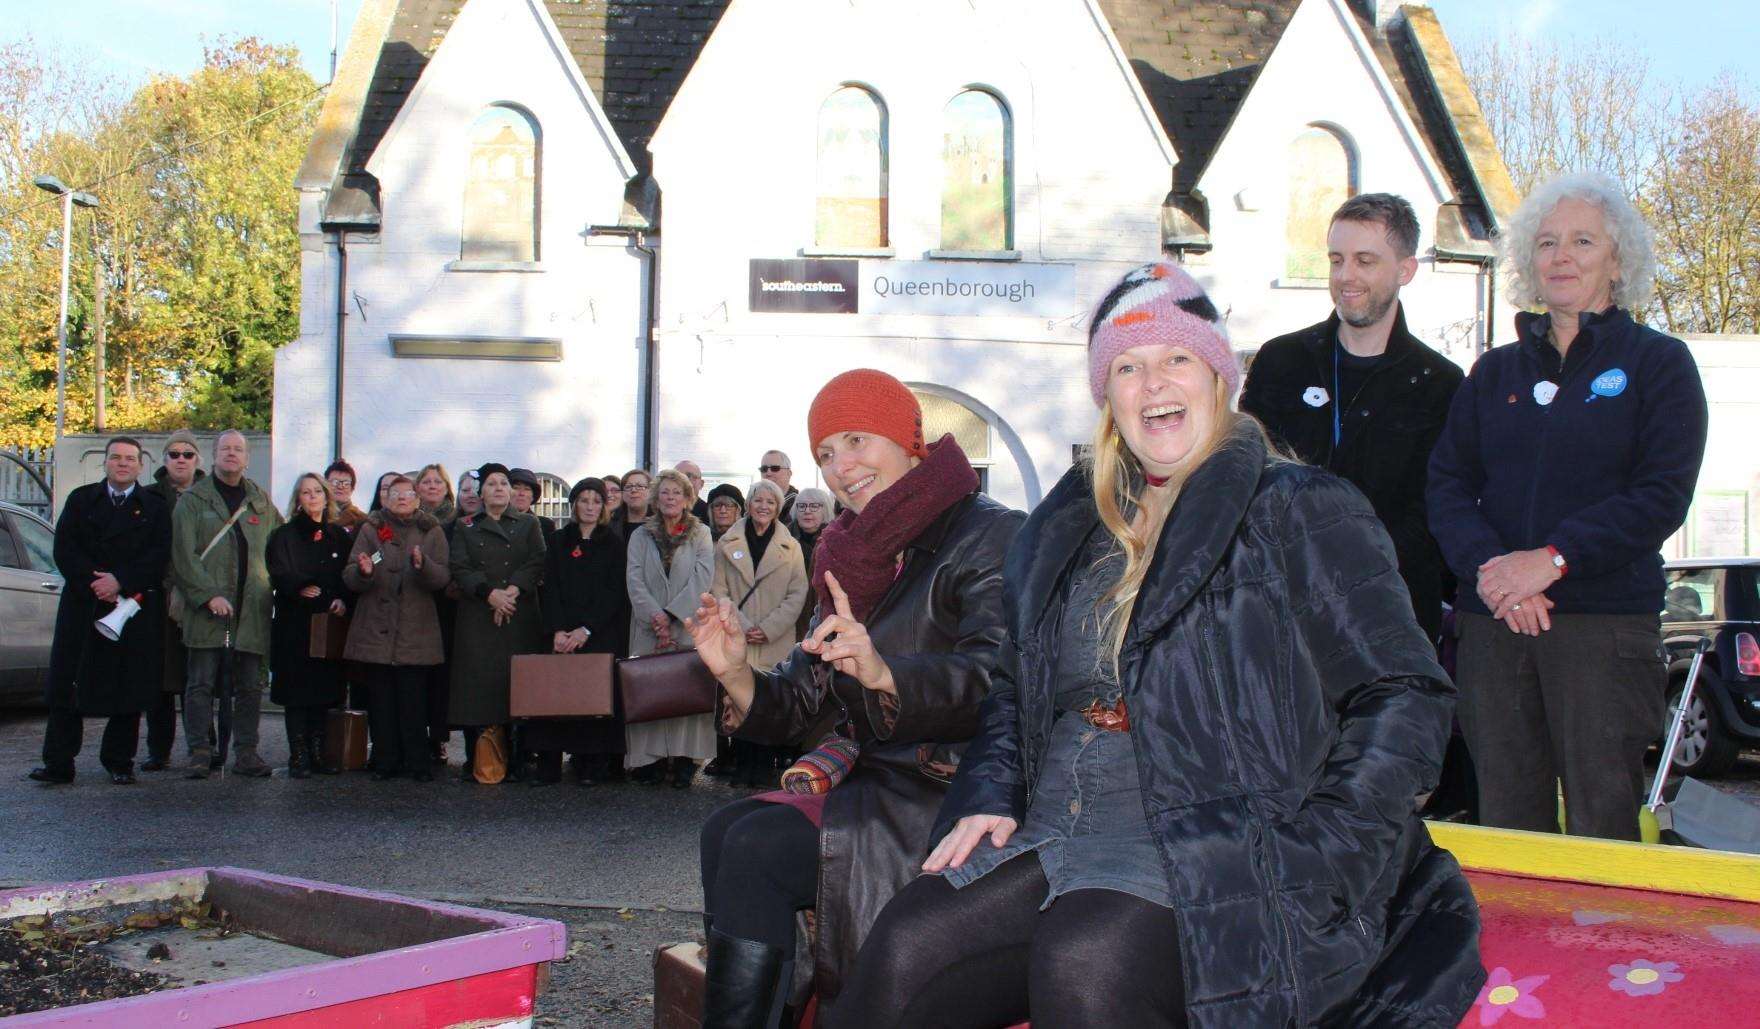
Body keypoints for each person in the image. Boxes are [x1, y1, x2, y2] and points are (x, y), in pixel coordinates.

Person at [835, 264, 1482, 1027]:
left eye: (1176, 357)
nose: (1153, 384)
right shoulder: (1070, 526)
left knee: (1084, 955)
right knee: (906, 943)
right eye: (1128, 367)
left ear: (1218, 375)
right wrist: (991, 793)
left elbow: (1403, 694)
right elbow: (1017, 685)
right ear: (1107, 395)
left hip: (1214, 837)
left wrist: (1321, 849)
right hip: (1058, 819)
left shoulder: (1301, 509)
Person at [687, 369, 1021, 1025]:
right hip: (875, 782)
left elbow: (998, 680)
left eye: (857, 439)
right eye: (825, 454)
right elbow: (804, 698)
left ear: (910, 441)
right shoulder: (852, 551)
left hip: (953, 788)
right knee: (724, 829)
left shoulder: (991, 534)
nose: (842, 466)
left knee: (755, 847)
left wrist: (883, 671)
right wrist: (733, 672)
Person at [1428, 171, 1708, 842]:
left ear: (1618, 259)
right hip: (1494, 623)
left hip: (1601, 629)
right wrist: (1497, 571)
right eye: (1548, 242)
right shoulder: (1493, 374)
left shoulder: (1660, 365)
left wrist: (1553, 560)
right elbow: (1445, 484)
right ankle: (1509, 954)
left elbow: (1660, 495)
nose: (1562, 256)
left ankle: (1613, 951)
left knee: (1603, 819)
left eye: (1583, 240)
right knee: (1505, 820)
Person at [1239, 193, 1464, 643]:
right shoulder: (1281, 361)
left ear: (1405, 270)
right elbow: (1245, 475)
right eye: (1336, 260)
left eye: (1365, 261)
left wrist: (1349, 566)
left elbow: (1435, 511)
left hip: (1388, 620)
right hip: (1281, 615)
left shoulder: (1440, 382)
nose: (1346, 277)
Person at [28, 437, 171, 786]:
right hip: (84, 602)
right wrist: (96, 583)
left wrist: (120, 580)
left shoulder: (154, 505)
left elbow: (159, 554)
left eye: (130, 459)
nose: (122, 463)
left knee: (129, 684)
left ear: (141, 466)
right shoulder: (81, 500)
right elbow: (64, 548)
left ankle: (119, 761)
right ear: (105, 463)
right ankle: (59, 762)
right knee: (68, 683)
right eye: (116, 457)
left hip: (130, 605)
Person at [171, 429, 282, 779]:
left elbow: (280, 547)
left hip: (251, 609)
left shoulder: (260, 501)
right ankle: (200, 752)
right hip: (207, 609)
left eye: (238, 449)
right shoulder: (193, 500)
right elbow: (183, 556)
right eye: (225, 449)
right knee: (200, 683)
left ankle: (246, 752)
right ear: (214, 456)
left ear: (247, 458)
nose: (232, 454)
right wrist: (207, 595)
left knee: (250, 685)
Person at [342, 474, 451, 781]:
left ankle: (417, 762)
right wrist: (364, 572)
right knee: (381, 701)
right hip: (377, 627)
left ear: (417, 499)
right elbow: (349, 574)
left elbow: (443, 577)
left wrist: (423, 566)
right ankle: (385, 761)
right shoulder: (371, 528)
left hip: (416, 630)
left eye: (407, 494)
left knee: (413, 700)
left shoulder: (431, 530)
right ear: (385, 498)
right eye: (395, 494)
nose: (402, 498)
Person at [450, 464, 548, 782]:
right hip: (479, 616)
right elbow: (459, 566)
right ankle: (478, 757)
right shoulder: (465, 526)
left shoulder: (528, 523)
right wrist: (489, 594)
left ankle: (519, 757)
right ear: (480, 493)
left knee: (518, 686)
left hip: (518, 613)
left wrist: (511, 592)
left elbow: (537, 560)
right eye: (492, 484)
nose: (499, 488)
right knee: (478, 688)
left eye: (504, 484)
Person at [710, 479, 808, 788]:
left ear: (778, 508)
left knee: (768, 701)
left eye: (770, 502)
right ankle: (741, 765)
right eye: (758, 500)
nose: (763, 506)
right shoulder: (726, 544)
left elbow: (797, 593)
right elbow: (718, 589)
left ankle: (764, 767)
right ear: (749, 504)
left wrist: (766, 629)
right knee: (737, 699)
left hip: (774, 638)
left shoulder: (791, 547)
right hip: (736, 635)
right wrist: (740, 626)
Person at [534, 478, 630, 785]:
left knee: (594, 699)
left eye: (596, 501)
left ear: (603, 507)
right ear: (574, 504)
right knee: (553, 697)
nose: (590, 506)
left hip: (597, 633)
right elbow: (550, 588)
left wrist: (586, 629)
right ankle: (548, 765)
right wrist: (558, 630)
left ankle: (591, 765)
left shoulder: (613, 544)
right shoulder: (559, 540)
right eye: (584, 500)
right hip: (561, 634)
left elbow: (614, 592)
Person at [625, 468, 715, 788]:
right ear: (655, 497)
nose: (671, 498)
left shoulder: (701, 533)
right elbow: (634, 579)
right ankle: (649, 760)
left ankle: (684, 759)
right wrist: (655, 616)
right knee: (649, 690)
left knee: (685, 693)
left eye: (677, 492)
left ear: (688, 498)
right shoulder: (640, 535)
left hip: (686, 625)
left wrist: (673, 614)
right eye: (665, 492)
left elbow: (703, 577)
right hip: (649, 627)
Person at [265, 473, 352, 778]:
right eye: (306, 492)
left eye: (317, 491)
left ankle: (319, 750)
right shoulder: (284, 535)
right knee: (296, 692)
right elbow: (278, 569)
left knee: (324, 690)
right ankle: (298, 754)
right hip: (295, 623)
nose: (313, 497)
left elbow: (347, 574)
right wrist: (300, 585)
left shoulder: (338, 536)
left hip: (327, 623)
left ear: (327, 496)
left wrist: (342, 598)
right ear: (297, 499)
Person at [141, 428, 205, 771]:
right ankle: (158, 749)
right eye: (174, 454)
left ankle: (204, 746)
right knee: (160, 677)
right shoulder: (149, 497)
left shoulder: (212, 497)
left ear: (198, 460)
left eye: (188, 454)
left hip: (202, 596)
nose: (181, 459)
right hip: (159, 596)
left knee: (200, 675)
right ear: (164, 460)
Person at [415, 462, 458, 763]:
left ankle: (438, 739)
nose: (431, 486)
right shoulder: (408, 520)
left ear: (446, 488)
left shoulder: (456, 521)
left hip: (445, 605)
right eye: (426, 481)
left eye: (437, 482)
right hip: (414, 604)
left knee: (441, 676)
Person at [788, 487, 833, 641]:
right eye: (802, 506)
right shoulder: (782, 539)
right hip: (787, 621)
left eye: (814, 506)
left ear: (825, 510)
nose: (807, 511)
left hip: (822, 619)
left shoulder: (834, 542)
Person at [326, 460, 368, 532]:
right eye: (335, 482)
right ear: (325, 485)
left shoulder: (362, 520)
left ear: (352, 489)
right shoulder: (315, 515)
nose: (340, 487)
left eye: (346, 483)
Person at [760, 450, 799, 523]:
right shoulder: (753, 505)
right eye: (764, 469)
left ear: (789, 473)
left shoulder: (800, 506)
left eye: (775, 468)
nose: (768, 473)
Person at [616, 469, 652, 537]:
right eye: (628, 487)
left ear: (651, 492)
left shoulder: (662, 525)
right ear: (622, 493)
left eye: (640, 486)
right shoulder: (610, 526)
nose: (634, 490)